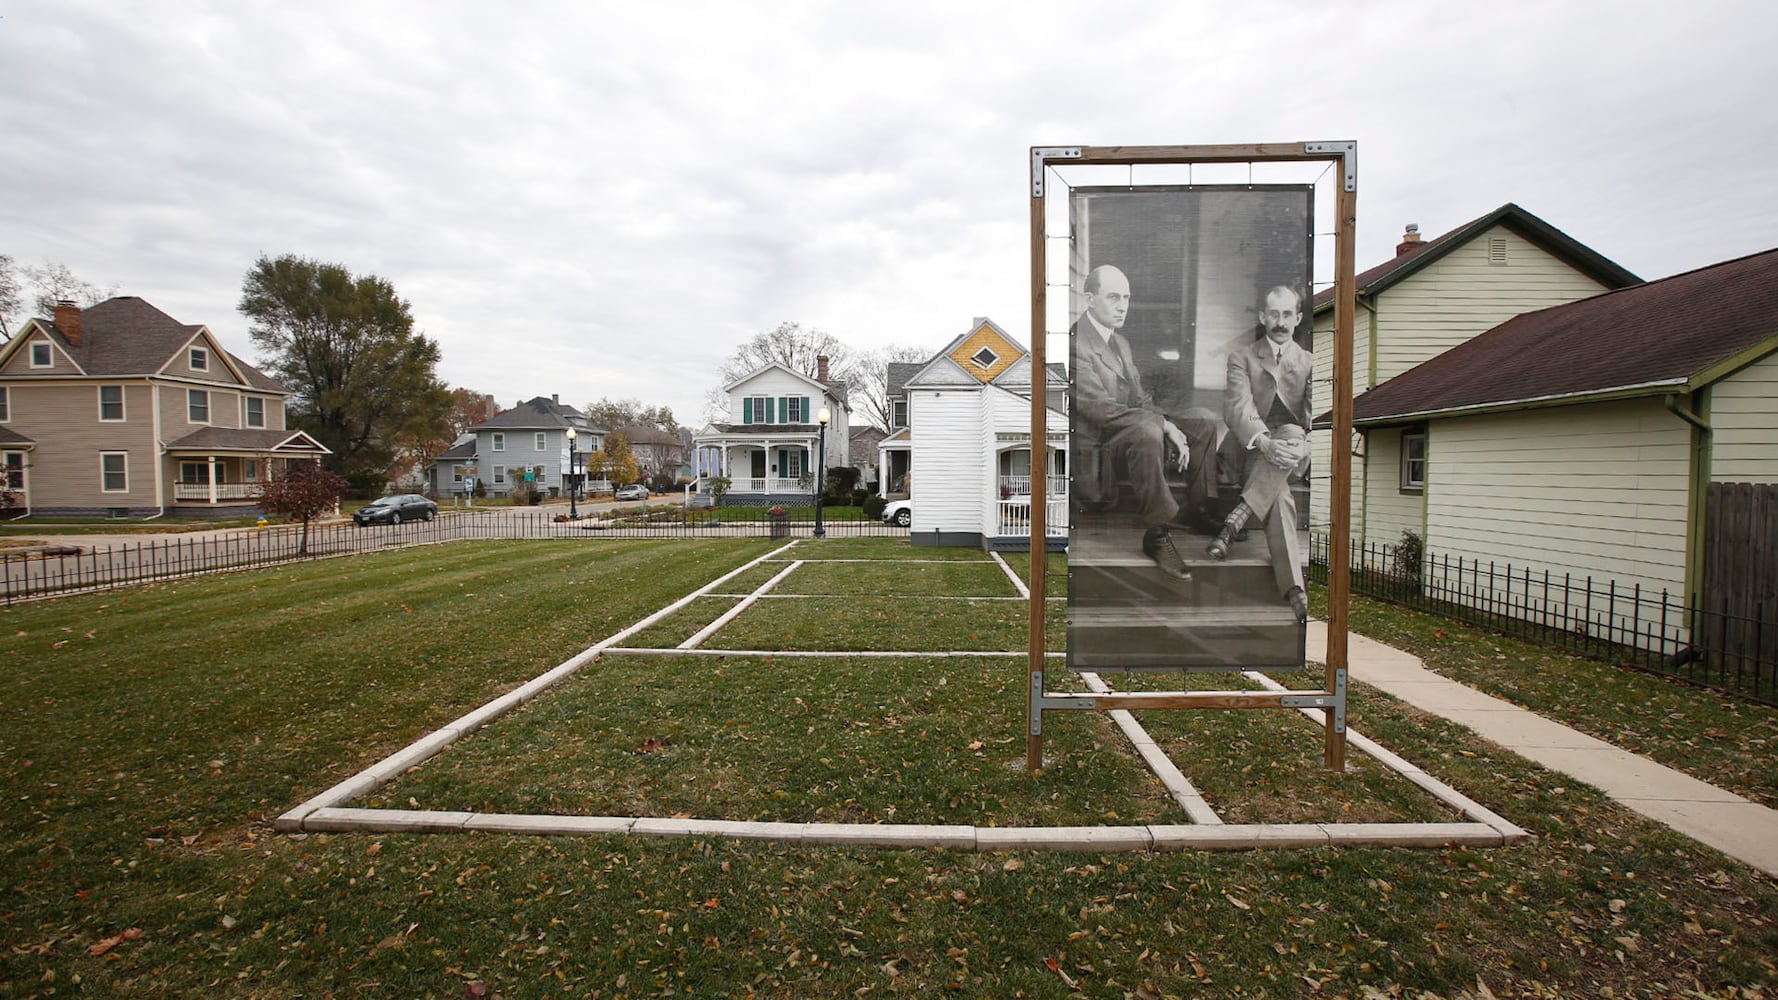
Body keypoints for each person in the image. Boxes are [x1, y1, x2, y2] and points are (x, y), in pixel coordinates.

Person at [1072, 264, 1219, 580]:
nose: (1122, 305)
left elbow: (1139, 400)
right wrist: (1163, 425)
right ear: (1089, 299)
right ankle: (1157, 534)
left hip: (1129, 430)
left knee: (1204, 421)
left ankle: (1198, 510)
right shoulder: (1076, 344)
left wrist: (1169, 422)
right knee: (1149, 429)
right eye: (1113, 297)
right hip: (1100, 447)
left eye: (1126, 297)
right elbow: (1100, 410)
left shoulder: (1120, 342)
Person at [1209, 284, 1312, 623]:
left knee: (1296, 433)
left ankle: (1234, 523)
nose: (1280, 322)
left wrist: (1301, 444)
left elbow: (1314, 420)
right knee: (1279, 496)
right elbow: (1239, 407)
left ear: (1297, 318)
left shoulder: (1309, 364)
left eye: (1287, 314)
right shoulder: (1243, 357)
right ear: (1262, 317)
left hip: (1291, 452)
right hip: (1250, 449)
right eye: (1273, 314)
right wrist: (1265, 442)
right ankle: (1294, 588)